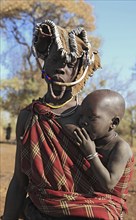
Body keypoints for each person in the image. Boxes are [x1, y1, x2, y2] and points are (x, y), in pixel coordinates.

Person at [2, 20, 100, 220]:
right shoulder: (29, 116)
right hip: (39, 212)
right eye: (55, 60)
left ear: (79, 71)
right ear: (44, 63)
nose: (60, 68)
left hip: (83, 213)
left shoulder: (90, 116)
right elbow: (20, 181)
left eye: (69, 64)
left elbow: (106, 177)